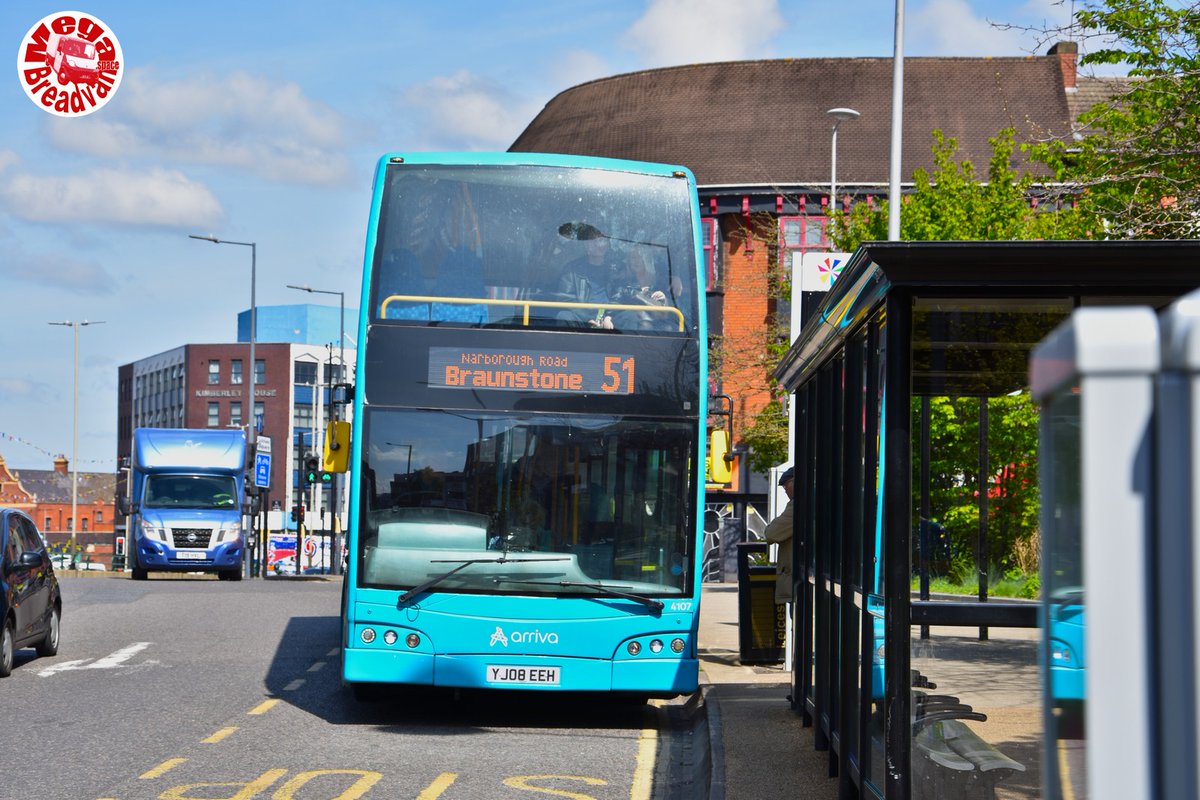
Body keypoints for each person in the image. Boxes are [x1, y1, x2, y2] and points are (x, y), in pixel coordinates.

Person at [555, 227, 637, 329]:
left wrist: (608, 317)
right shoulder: (572, 269)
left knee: (630, 316)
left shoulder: (617, 268)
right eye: (592, 241)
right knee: (564, 316)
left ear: (607, 245)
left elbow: (620, 294)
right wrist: (587, 319)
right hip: (582, 318)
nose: (598, 244)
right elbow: (565, 299)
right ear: (586, 244)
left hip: (610, 316)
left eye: (602, 240)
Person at [764, 466, 795, 605]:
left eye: (786, 486)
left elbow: (771, 533)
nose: (785, 491)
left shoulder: (797, 506)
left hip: (796, 583)